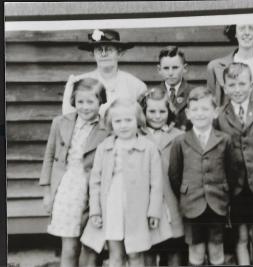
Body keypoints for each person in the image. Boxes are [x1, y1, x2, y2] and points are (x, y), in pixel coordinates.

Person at [81, 99, 172, 267]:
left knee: (136, 253)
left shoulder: (148, 148)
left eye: (128, 120)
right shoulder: (105, 147)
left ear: (138, 121)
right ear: (111, 124)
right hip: (112, 205)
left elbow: (156, 183)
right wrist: (95, 210)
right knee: (115, 253)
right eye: (118, 121)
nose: (123, 125)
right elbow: (95, 182)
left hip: (138, 208)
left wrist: (154, 211)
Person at [39, 77, 108, 267]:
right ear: (73, 102)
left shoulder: (107, 128)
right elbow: (49, 156)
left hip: (92, 192)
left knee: (90, 248)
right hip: (66, 189)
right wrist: (47, 193)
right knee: (69, 246)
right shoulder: (60, 122)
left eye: (90, 102)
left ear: (101, 101)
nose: (85, 107)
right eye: (80, 102)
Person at [215, 62, 253, 265]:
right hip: (235, 187)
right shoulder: (219, 116)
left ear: (251, 85)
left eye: (242, 84)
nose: (237, 89)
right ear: (224, 87)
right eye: (232, 85)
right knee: (240, 237)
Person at [168, 87, 235, 266]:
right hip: (192, 205)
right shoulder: (180, 141)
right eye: (195, 110)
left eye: (205, 109)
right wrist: (186, 194)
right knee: (196, 252)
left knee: (216, 250)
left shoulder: (224, 140)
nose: (200, 114)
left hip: (217, 204)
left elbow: (232, 172)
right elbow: (175, 175)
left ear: (215, 112)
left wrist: (225, 195)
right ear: (188, 114)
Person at [139, 87, 186, 266]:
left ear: (170, 112)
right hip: (146, 200)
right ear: (143, 112)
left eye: (162, 111)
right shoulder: (137, 135)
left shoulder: (179, 136)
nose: (157, 116)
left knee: (174, 244)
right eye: (151, 111)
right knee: (148, 246)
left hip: (172, 199)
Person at [62, 29, 147, 117]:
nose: (103, 54)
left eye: (109, 49)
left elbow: (142, 121)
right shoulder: (78, 83)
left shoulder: (136, 86)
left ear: (120, 53)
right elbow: (68, 119)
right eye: (99, 50)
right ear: (92, 54)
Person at [157, 45, 195, 131]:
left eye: (175, 68)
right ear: (159, 69)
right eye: (166, 68)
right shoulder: (153, 95)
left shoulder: (194, 93)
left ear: (185, 68)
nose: (170, 73)